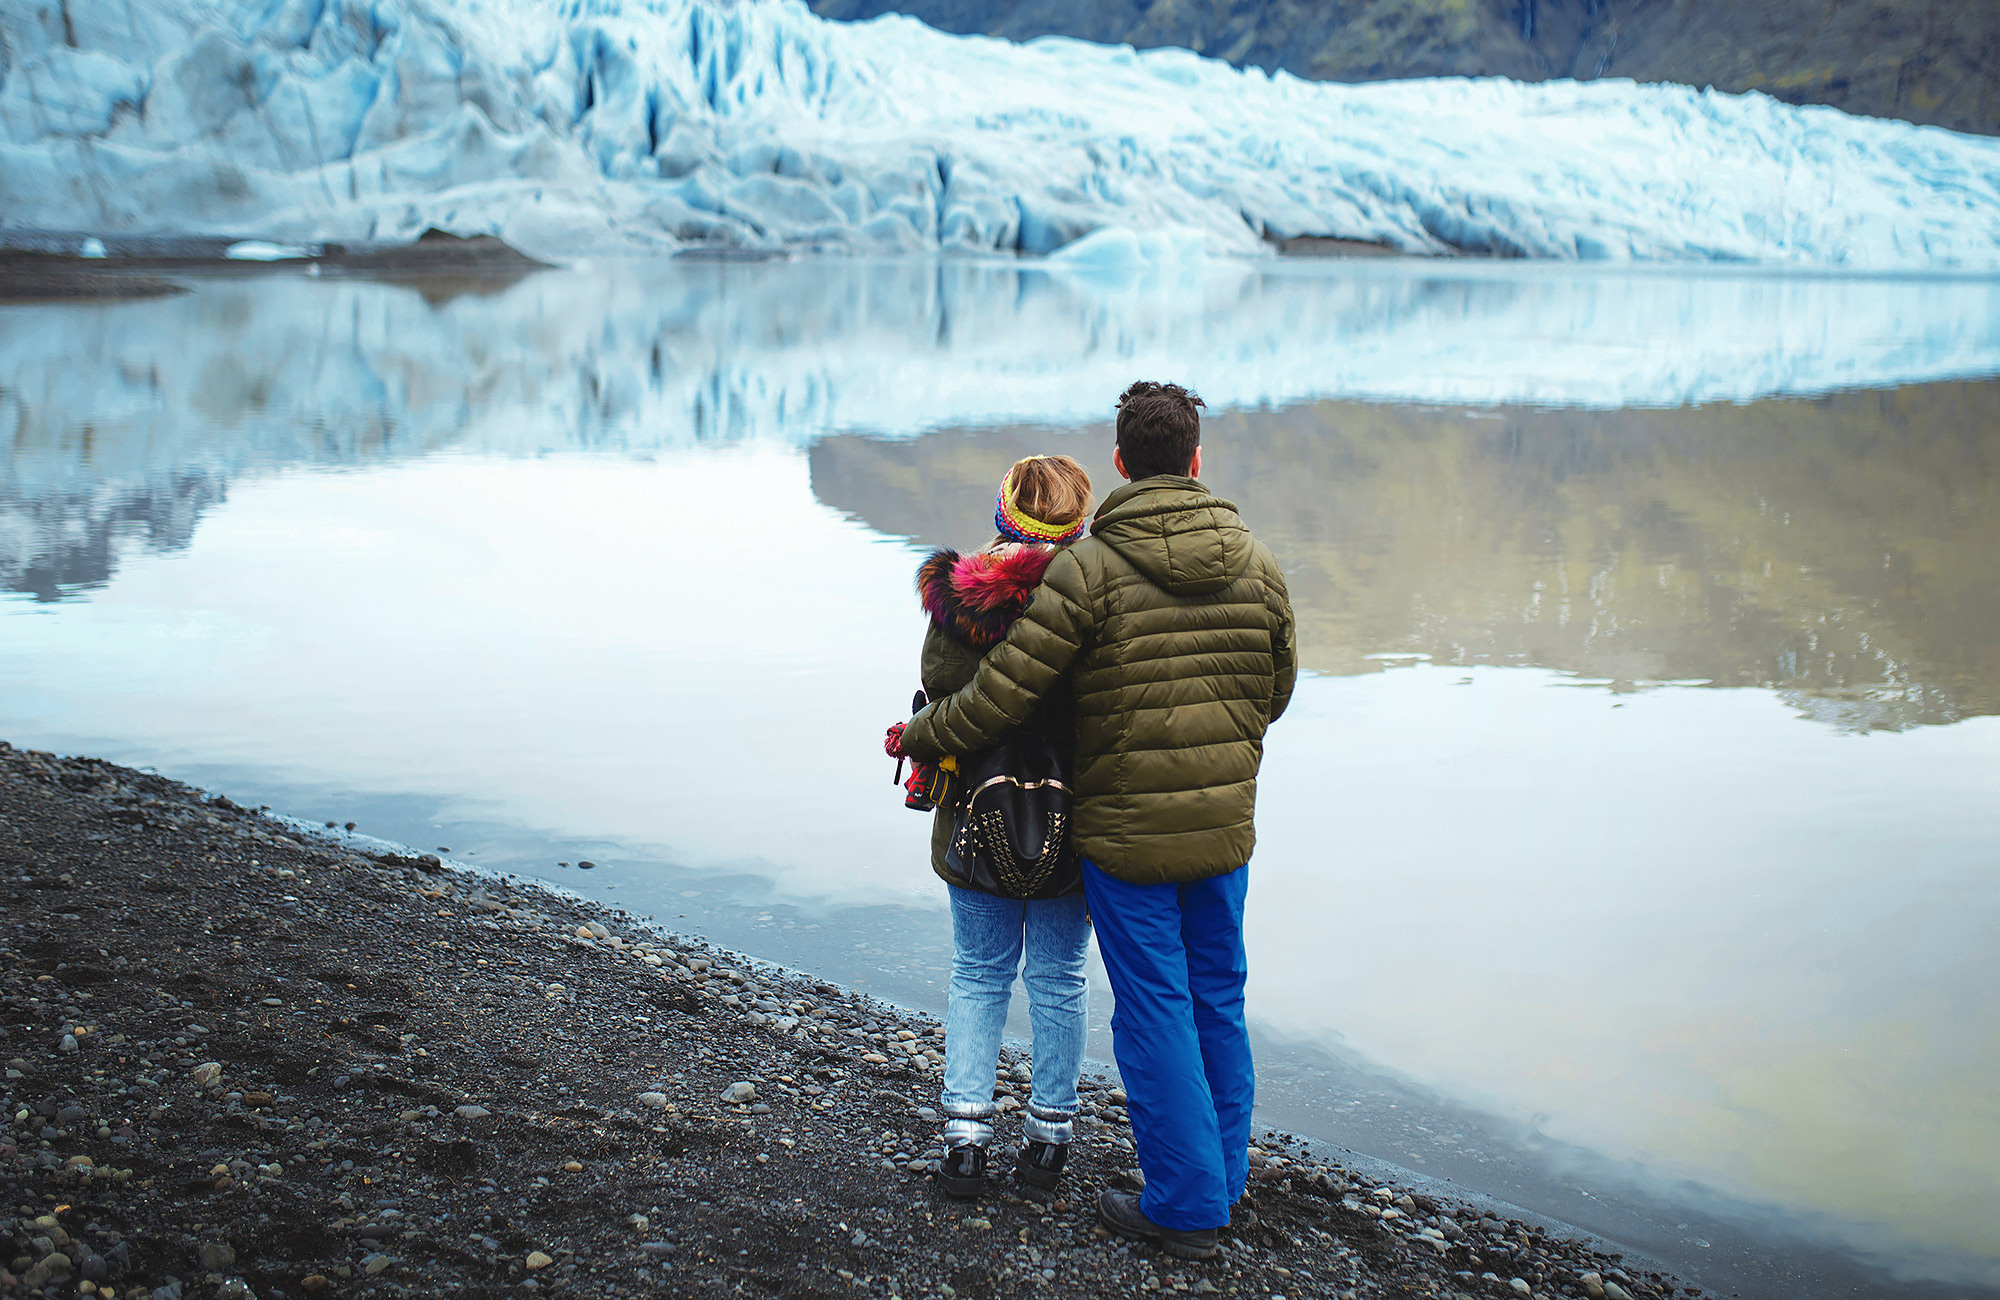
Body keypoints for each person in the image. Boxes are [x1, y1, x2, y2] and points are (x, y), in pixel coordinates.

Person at [897, 382, 1295, 1259]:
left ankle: (1189, 1204)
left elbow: (1002, 695)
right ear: (1197, 460)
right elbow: (1277, 692)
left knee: (1150, 1003)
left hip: (1121, 834)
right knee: (1216, 998)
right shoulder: (1259, 562)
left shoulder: (1092, 570)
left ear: (1120, 462)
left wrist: (918, 734)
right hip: (1224, 829)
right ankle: (1220, 1178)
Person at [902, 454, 1097, 1199]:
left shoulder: (960, 599)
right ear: (1079, 519)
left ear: (1004, 509)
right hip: (1071, 823)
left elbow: (943, 697)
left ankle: (965, 1139)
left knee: (979, 973)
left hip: (973, 820)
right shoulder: (1098, 599)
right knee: (1059, 977)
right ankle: (1048, 1143)